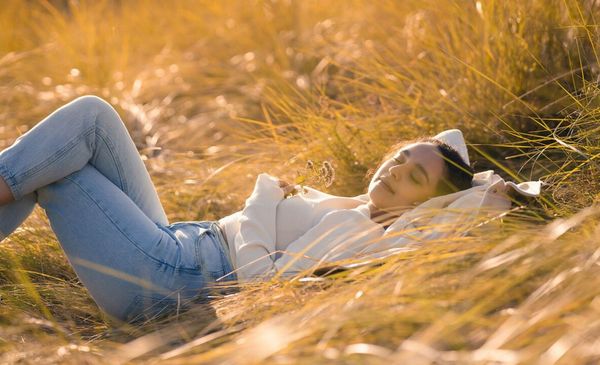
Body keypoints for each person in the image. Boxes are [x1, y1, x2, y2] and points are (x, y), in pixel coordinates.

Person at [0, 95, 473, 323]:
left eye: (413, 177)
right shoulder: (358, 204)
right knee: (94, 119)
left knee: (65, 169)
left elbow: (263, 282)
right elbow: (458, 153)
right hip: (175, 243)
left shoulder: (362, 231)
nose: (394, 171)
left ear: (427, 204)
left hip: (167, 278)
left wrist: (262, 198)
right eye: (399, 158)